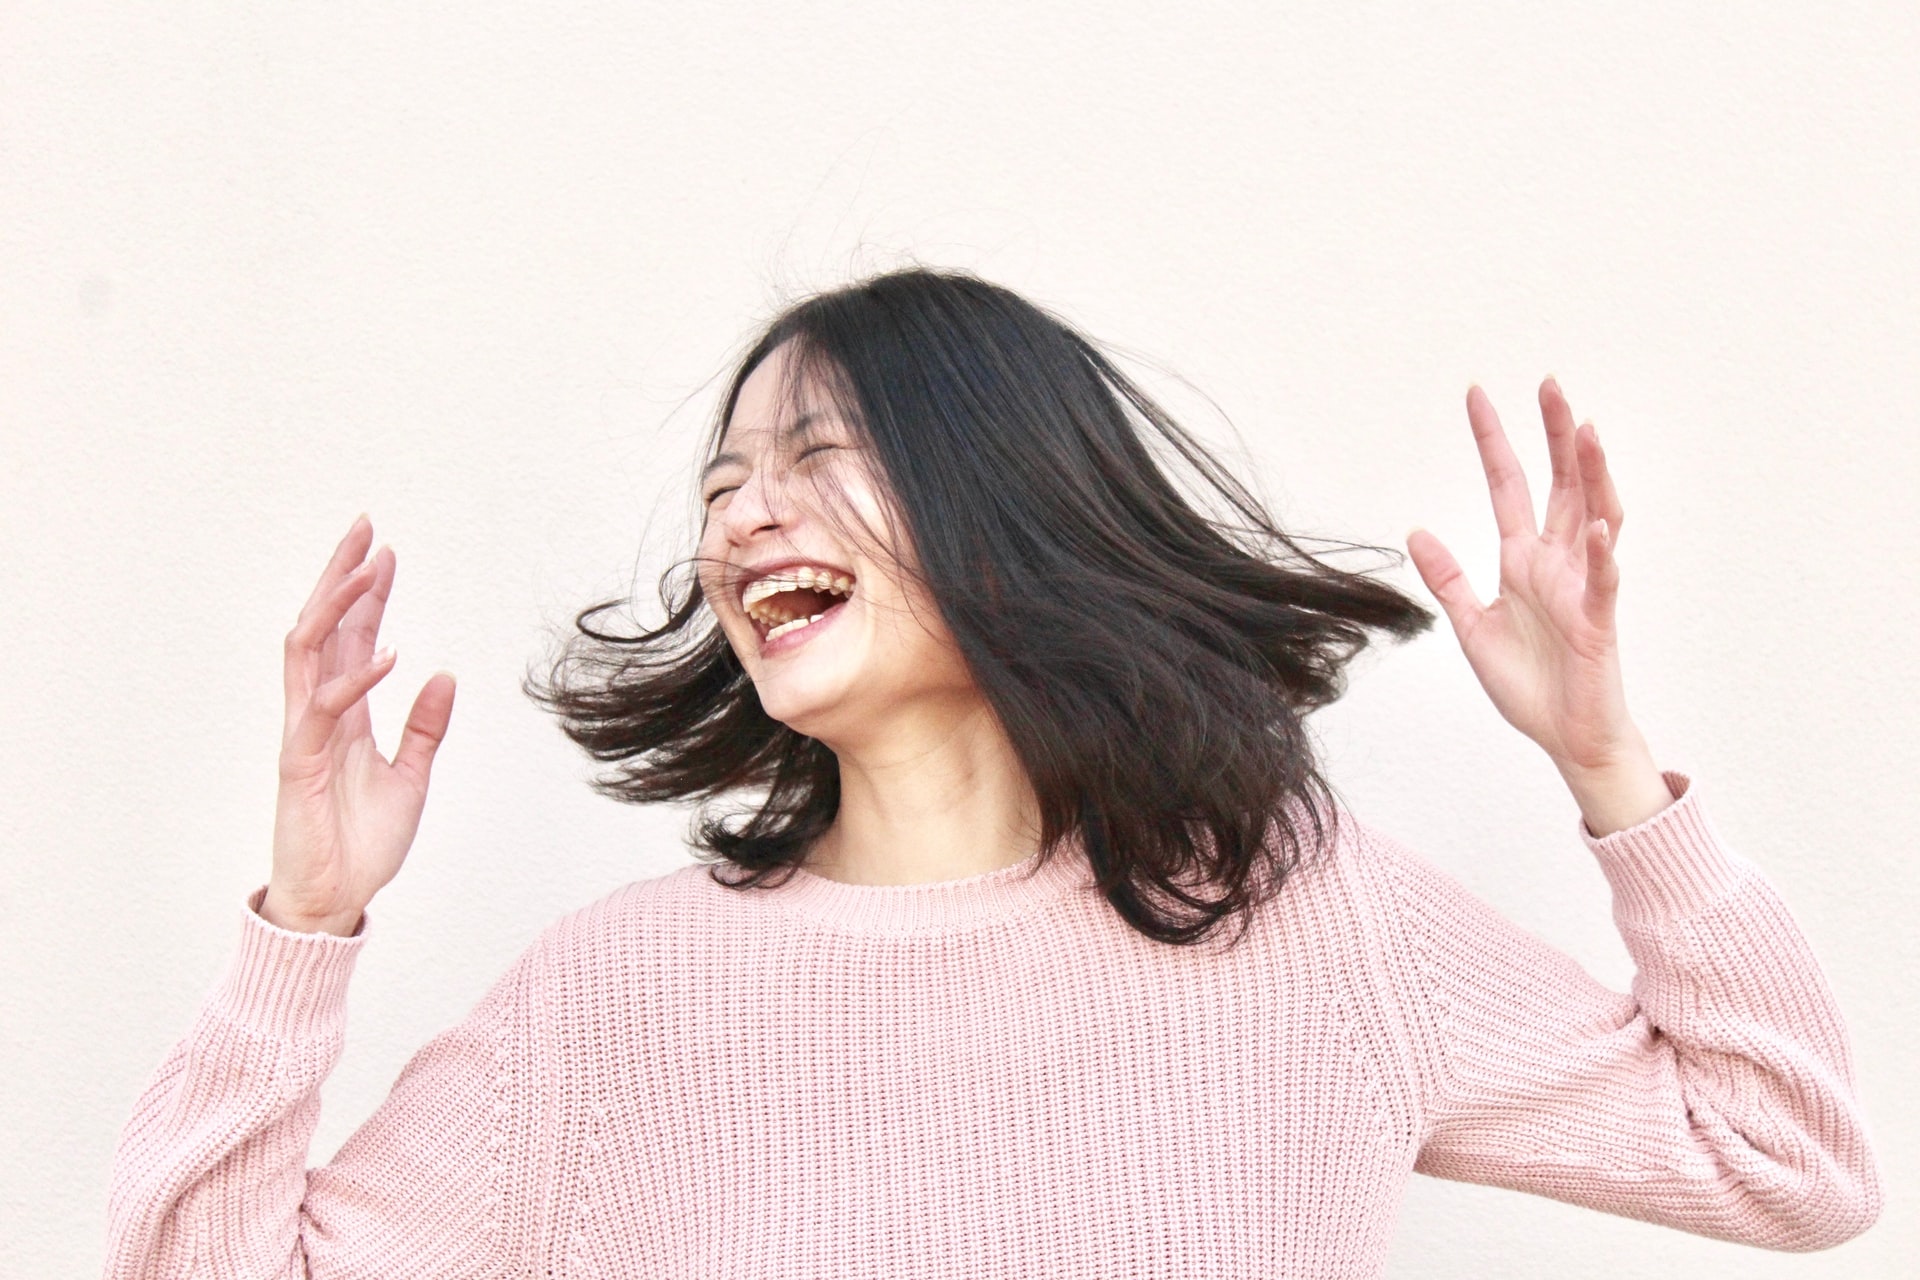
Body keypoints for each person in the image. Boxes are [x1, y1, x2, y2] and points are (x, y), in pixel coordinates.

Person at [103, 269, 1880, 1277]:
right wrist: (305, 928)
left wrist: (1613, 769)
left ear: (1006, 512)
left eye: (816, 456)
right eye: (724, 485)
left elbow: (1789, 1157)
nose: (743, 516)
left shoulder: (1298, 918)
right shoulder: (614, 1001)